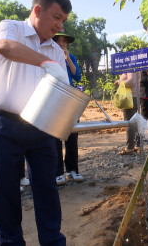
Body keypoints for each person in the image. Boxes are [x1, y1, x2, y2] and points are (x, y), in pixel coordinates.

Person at [0, 0, 71, 245]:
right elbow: (4, 47)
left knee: (47, 189)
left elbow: (61, 90)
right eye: (56, 17)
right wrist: (45, 62)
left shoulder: (56, 49)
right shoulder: (11, 28)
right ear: (37, 10)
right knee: (5, 193)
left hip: (41, 127)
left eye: (63, 20)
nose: (59, 25)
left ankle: (53, 241)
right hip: (3, 125)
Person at [52, 32, 83, 186]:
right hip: (54, 98)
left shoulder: (72, 58)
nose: (62, 44)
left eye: (64, 42)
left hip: (70, 99)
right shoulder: (48, 56)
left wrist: (68, 59)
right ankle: (58, 172)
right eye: (59, 41)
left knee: (72, 134)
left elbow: (77, 76)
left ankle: (72, 170)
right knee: (56, 136)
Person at [115, 72, 141, 155]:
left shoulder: (131, 66)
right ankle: (138, 145)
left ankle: (130, 148)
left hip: (129, 97)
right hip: (133, 96)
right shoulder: (133, 66)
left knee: (129, 122)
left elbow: (131, 81)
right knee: (134, 122)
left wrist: (119, 82)